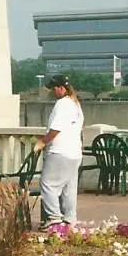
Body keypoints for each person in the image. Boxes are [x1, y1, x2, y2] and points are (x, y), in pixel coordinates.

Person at [35, 74, 84, 229]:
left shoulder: (62, 104)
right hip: (74, 152)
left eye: (53, 88)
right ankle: (70, 220)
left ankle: (54, 218)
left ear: (61, 88)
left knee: (48, 184)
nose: (52, 92)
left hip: (60, 151)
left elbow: (56, 129)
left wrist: (42, 142)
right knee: (69, 189)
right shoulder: (76, 104)